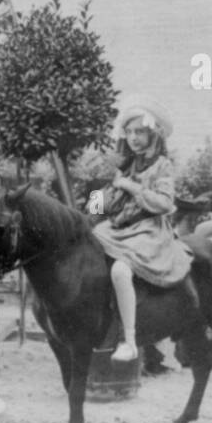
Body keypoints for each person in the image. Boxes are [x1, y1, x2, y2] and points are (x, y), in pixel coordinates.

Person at [90, 101, 193, 362]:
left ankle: (130, 341)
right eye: (130, 132)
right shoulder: (126, 165)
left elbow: (165, 203)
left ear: (152, 135)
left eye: (140, 132)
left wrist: (133, 188)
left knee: (120, 270)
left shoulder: (162, 166)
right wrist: (97, 200)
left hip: (148, 229)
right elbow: (109, 203)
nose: (134, 138)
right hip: (119, 227)